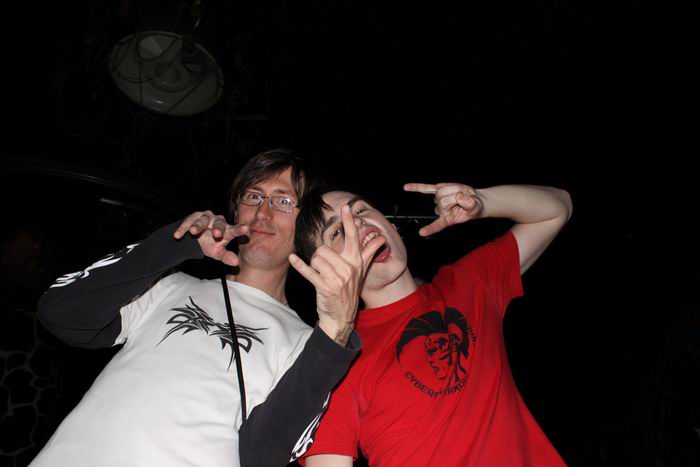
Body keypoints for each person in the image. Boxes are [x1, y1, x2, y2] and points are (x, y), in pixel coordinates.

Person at [30, 149, 384, 467]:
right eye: (253, 196)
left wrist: (334, 331)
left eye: (283, 201)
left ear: (304, 225)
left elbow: (263, 455)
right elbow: (62, 315)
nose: (262, 212)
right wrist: (175, 245)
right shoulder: (169, 286)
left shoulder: (311, 344)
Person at [293, 181, 573, 466]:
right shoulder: (336, 364)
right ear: (324, 271)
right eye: (338, 231)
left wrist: (483, 202)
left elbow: (557, 208)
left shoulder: (468, 284)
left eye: (361, 210)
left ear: (390, 224)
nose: (357, 224)